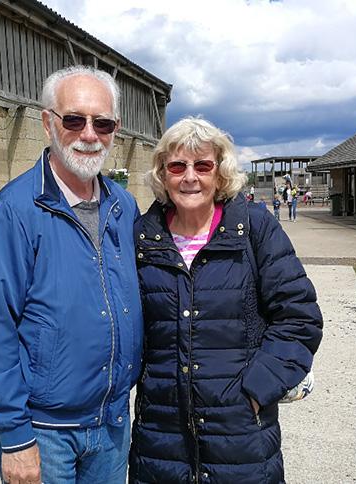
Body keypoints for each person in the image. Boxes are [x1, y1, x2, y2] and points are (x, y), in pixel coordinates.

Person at [0, 65, 143, 484]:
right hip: (45, 435)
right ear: (48, 123)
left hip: (113, 424)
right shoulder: (15, 211)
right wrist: (14, 438)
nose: (89, 134)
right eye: (74, 120)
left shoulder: (124, 207)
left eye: (103, 123)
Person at [129, 117, 323, 483]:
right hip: (161, 435)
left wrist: (257, 390)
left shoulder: (254, 228)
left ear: (219, 173)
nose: (190, 177)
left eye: (202, 165)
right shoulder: (142, 237)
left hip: (241, 434)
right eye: (177, 166)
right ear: (162, 173)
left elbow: (299, 317)